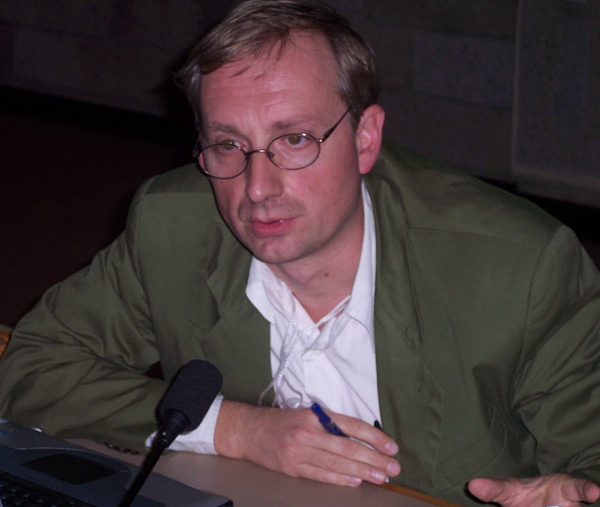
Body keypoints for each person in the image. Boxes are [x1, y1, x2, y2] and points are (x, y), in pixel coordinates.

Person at [1, 1, 600, 506]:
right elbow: (31, 366)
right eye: (228, 144)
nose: (257, 189)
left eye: (293, 139)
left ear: (365, 139)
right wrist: (237, 429)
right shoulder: (173, 226)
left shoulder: (520, 268)